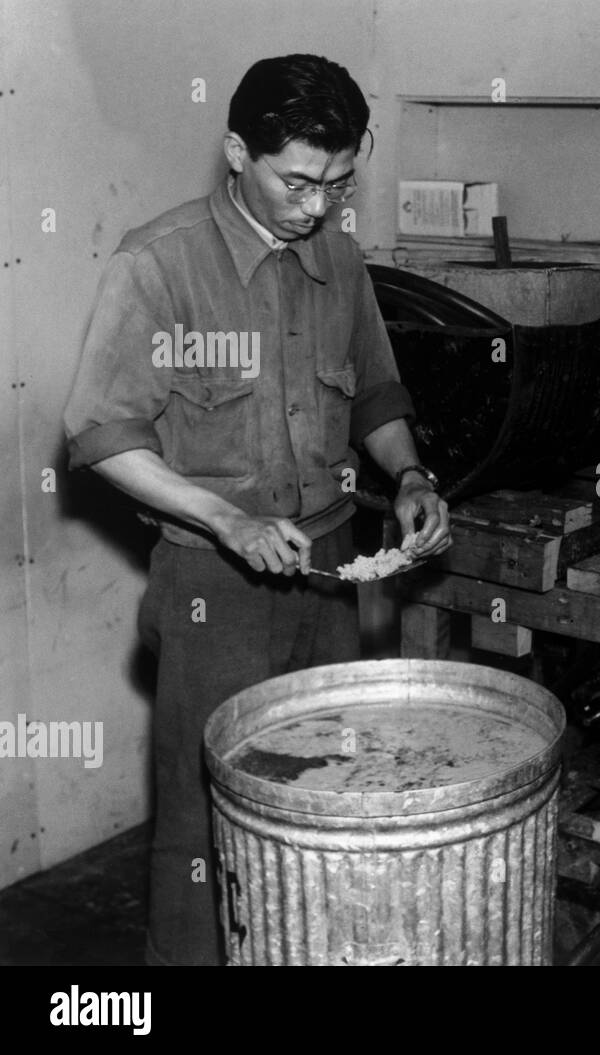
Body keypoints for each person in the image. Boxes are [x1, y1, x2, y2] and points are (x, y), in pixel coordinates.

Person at [63, 54, 452, 965]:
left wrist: (410, 477)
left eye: (339, 184)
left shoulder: (339, 257)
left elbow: (376, 398)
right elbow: (98, 435)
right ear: (237, 151)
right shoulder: (158, 265)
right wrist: (223, 519)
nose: (317, 207)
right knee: (205, 813)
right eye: (299, 182)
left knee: (330, 788)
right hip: (215, 584)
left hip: (333, 571)